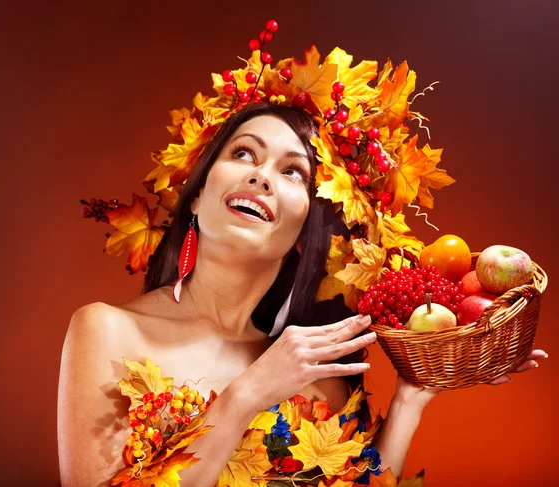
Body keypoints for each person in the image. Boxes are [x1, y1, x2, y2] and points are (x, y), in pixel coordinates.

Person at [57, 21, 547, 487]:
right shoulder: (105, 331)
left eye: (292, 171)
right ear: (199, 195)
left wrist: (409, 402)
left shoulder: (308, 370)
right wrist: (249, 393)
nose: (261, 175)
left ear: (302, 231)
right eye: (243, 153)